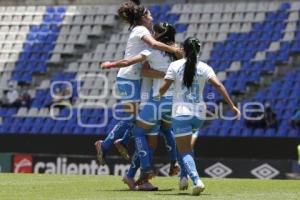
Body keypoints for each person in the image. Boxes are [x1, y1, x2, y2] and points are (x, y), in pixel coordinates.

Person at [95, 0, 182, 189]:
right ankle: (110, 145)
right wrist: (173, 49)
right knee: (136, 120)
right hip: (128, 79)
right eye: (149, 14)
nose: (152, 17)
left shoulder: (141, 31)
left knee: (138, 121)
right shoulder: (141, 31)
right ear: (143, 17)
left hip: (134, 81)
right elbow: (153, 45)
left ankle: (121, 145)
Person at [158, 37, 240, 195]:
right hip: (199, 116)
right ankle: (183, 177)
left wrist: (157, 96)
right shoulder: (205, 67)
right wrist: (232, 106)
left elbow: (164, 87)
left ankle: (196, 180)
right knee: (186, 146)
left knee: (184, 150)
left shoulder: (174, 65)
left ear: (183, 49)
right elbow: (218, 85)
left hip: (181, 113)